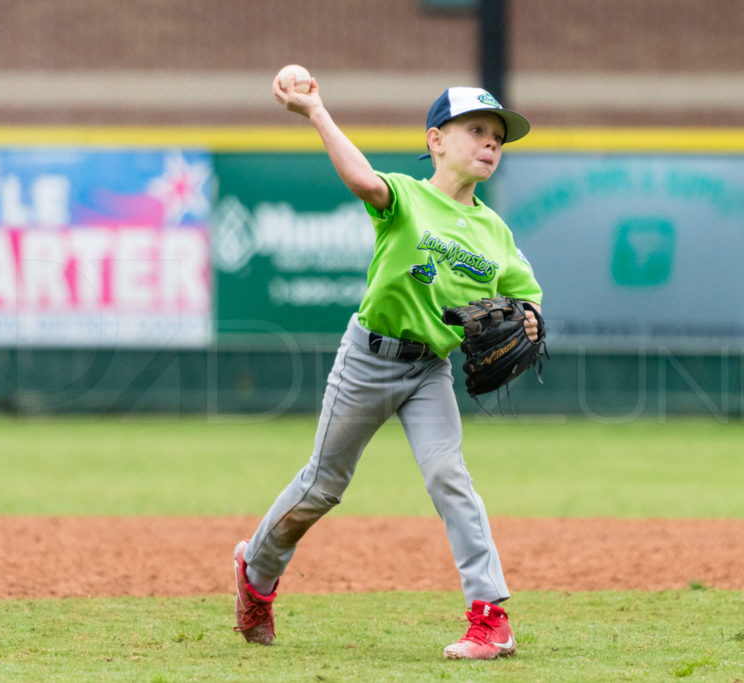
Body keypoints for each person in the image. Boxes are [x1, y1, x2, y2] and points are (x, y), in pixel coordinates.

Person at [232, 73, 544, 661]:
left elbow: (528, 298)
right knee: (322, 487)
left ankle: (489, 618)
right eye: (476, 130)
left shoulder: (494, 231)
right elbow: (360, 180)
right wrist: (317, 110)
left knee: (449, 476)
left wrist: (528, 318)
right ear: (436, 140)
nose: (489, 144)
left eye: (498, 137)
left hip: (431, 371)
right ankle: (256, 572)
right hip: (368, 360)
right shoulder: (405, 196)